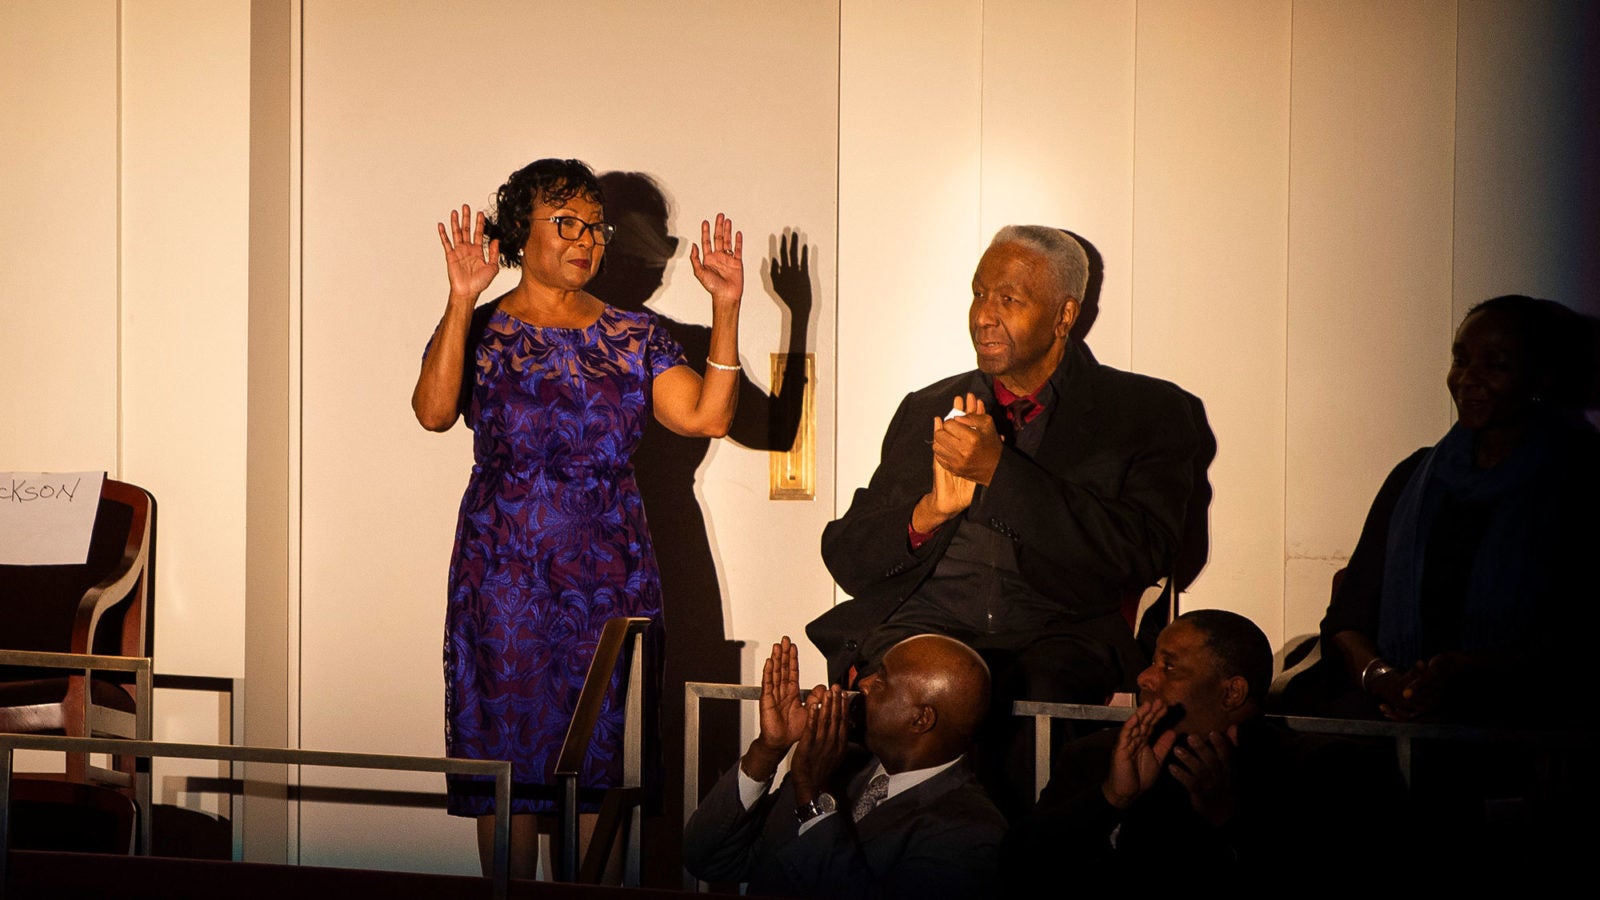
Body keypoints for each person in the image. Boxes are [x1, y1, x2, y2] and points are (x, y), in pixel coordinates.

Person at [411, 158, 746, 877]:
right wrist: (460, 300)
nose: (585, 240)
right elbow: (434, 412)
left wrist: (726, 311)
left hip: (609, 568)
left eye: (595, 227)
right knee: (510, 752)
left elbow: (707, 416)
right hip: (504, 571)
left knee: (606, 751)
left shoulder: (636, 334)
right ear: (518, 234)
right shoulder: (482, 326)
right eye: (566, 222)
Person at [808, 225, 1205, 813]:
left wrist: (1001, 473)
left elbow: (1146, 551)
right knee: (893, 690)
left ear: (1064, 316)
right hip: (922, 626)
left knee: (1027, 698)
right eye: (978, 295)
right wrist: (928, 513)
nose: (984, 317)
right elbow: (847, 556)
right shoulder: (928, 406)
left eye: (1010, 300)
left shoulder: (1147, 412)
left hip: (1056, 633)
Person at [1316, 295, 1599, 724]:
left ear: (1541, 378)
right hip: (1397, 710)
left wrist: (1468, 671)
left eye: (1495, 365)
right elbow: (1346, 618)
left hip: (1531, 719)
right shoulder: (1414, 476)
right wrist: (1382, 676)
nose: (1468, 379)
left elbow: (1578, 637)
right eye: (1461, 360)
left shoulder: (1580, 477)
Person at [1007, 610, 1406, 881]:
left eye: (1170, 666)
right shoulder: (1099, 757)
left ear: (1232, 692)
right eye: (1152, 661)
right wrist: (1111, 798)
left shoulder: (1328, 769)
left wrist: (1230, 820)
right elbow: (1016, 868)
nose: (1145, 677)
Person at [682, 635, 1006, 899]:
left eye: (883, 681)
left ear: (920, 718)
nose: (864, 684)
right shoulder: (840, 762)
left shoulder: (969, 832)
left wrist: (814, 798)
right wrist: (769, 749)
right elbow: (707, 857)